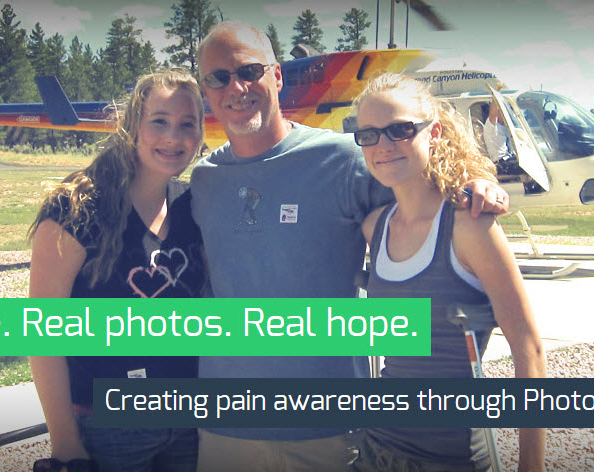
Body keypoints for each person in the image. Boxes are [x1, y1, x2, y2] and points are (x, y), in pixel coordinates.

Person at [188, 21, 511, 472]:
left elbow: (422, 195)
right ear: (206, 89)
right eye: (218, 77)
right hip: (224, 426)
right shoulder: (202, 179)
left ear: (277, 76)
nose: (236, 87)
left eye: (249, 70)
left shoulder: (344, 159)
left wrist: (474, 180)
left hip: (329, 427)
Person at [350, 73, 546, 471]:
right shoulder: (374, 227)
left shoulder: (471, 227)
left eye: (399, 130)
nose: (383, 146)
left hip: (450, 458)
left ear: (434, 132)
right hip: (374, 452)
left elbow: (529, 350)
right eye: (368, 135)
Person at [27, 69, 207, 472]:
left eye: (186, 124)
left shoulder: (193, 206)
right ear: (133, 126)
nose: (173, 137)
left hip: (188, 423)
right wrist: (65, 443)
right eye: (159, 121)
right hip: (106, 427)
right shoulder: (76, 209)